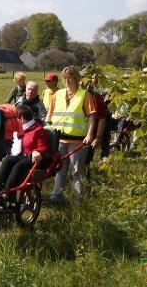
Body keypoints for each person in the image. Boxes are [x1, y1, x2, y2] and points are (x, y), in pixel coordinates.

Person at [47, 66, 96, 204]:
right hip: (59, 140)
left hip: (78, 141)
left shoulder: (85, 95)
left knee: (76, 172)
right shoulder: (57, 94)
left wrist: (90, 135)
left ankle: (78, 200)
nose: (67, 80)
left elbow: (92, 117)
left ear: (76, 79)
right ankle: (56, 196)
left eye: (70, 77)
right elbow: (49, 116)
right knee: (60, 169)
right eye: (65, 78)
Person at [0, 105, 50, 192]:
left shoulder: (38, 129)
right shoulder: (19, 128)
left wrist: (36, 151)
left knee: (18, 166)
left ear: (21, 119)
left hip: (32, 157)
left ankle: (7, 190)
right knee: (7, 161)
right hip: (20, 155)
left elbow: (43, 147)